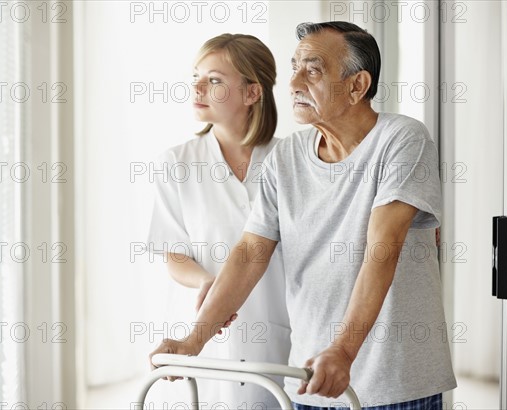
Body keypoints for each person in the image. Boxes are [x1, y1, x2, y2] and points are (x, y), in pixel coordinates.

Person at [150, 21, 457, 409]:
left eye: (312, 70)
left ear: (357, 86)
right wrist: (192, 342)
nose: (294, 81)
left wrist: (343, 353)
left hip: (394, 381)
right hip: (309, 379)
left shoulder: (402, 139)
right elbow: (250, 251)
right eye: (294, 67)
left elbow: (383, 248)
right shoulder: (288, 154)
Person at [147, 33, 291, 409]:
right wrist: (210, 284)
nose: (197, 87)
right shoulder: (177, 163)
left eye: (214, 80)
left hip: (275, 337)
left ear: (251, 93)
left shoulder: (289, 160)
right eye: (196, 75)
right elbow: (174, 255)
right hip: (203, 339)